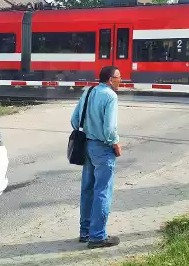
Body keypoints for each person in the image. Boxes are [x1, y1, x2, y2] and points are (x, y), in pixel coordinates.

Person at [70, 66, 122, 249]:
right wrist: (115, 143)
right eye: (118, 77)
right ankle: (98, 236)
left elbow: (74, 120)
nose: (120, 80)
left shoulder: (88, 91)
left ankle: (85, 232)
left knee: (87, 190)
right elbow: (109, 129)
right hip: (102, 148)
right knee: (102, 191)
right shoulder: (110, 96)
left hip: (87, 146)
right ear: (110, 79)